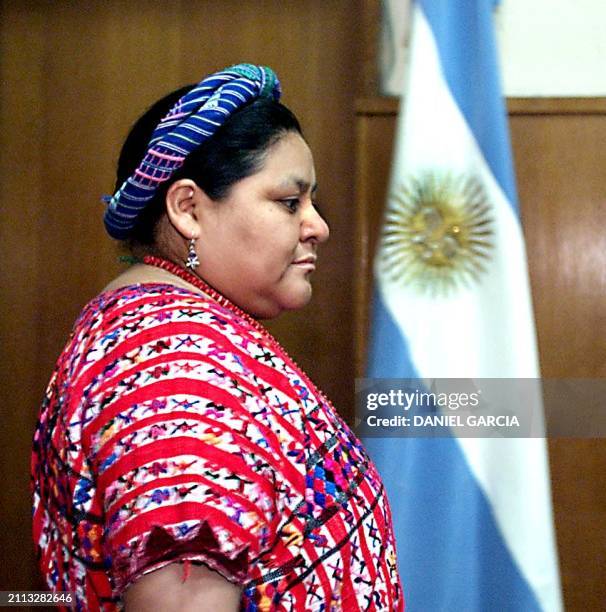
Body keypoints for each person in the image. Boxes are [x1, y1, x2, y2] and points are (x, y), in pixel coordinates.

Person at [31, 64, 403, 611]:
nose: (318, 225)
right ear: (188, 209)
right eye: (288, 202)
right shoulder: (175, 359)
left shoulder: (175, 330)